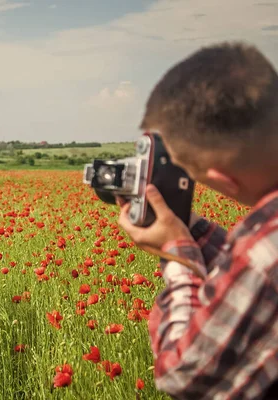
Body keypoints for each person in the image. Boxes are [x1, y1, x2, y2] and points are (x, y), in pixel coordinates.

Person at [117, 42, 278, 399]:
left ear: (222, 180)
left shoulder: (266, 251)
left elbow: (183, 374)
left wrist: (178, 257)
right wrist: (192, 230)